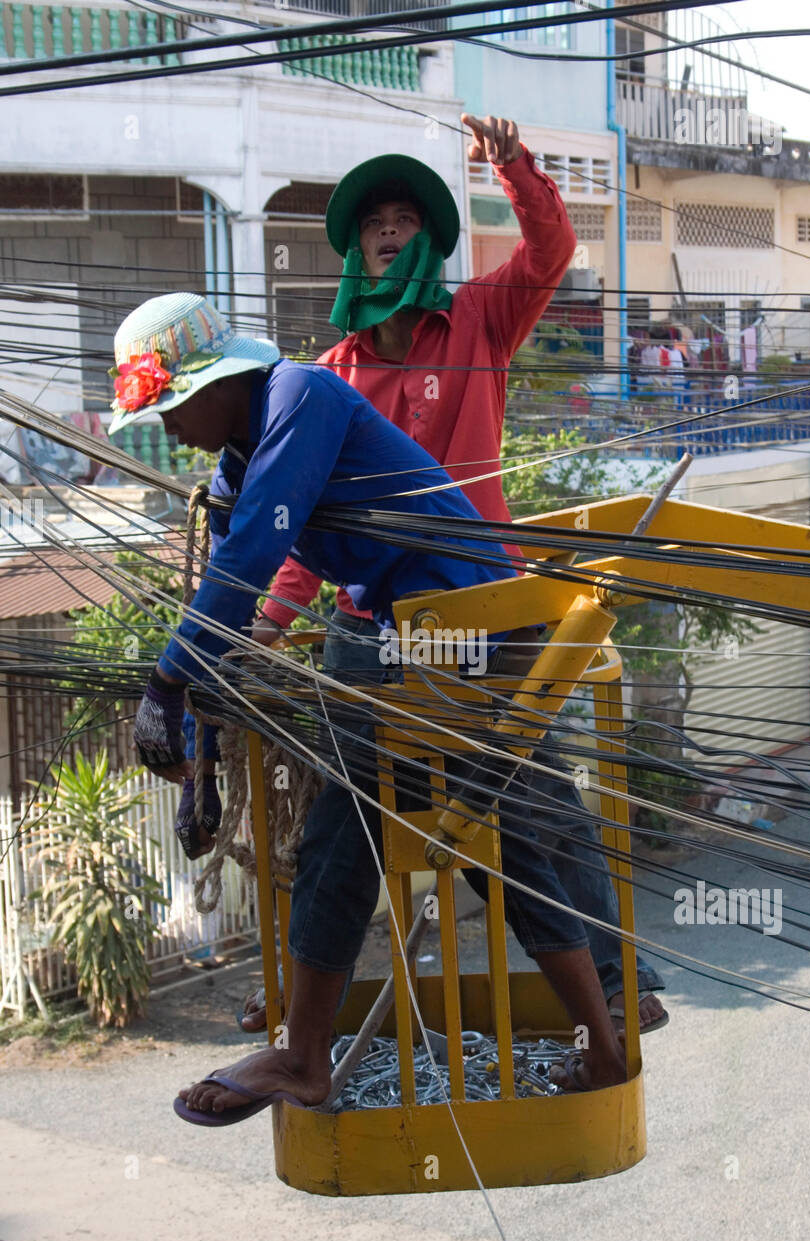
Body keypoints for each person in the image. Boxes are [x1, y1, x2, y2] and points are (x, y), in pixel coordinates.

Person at [110, 291, 628, 1120]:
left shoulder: (300, 399)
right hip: (409, 637)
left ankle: (307, 1057)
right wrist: (198, 761)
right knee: (469, 837)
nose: (167, 429)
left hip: (467, 632)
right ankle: (596, 1045)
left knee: (411, 832)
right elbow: (241, 591)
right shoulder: (244, 455)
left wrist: (165, 685)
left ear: (219, 383)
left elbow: (246, 560)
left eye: (171, 406)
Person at [239, 113, 667, 1038]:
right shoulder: (328, 379)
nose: (390, 232)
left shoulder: (477, 318)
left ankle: (620, 984)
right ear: (357, 251)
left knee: (537, 795)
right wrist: (264, 627)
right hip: (373, 628)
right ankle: (297, 1006)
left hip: (485, 605)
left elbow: (553, 249)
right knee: (340, 820)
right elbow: (301, 534)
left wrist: (511, 163)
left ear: (429, 241)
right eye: (373, 224)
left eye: (404, 220)